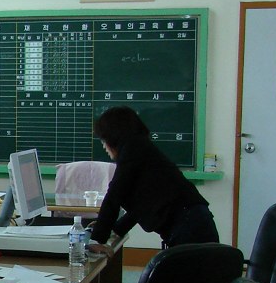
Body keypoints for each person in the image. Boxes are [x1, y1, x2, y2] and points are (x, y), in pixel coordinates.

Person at [87, 106, 217, 256]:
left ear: (113, 136)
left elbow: (115, 194)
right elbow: (143, 203)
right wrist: (116, 229)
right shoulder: (141, 148)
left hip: (189, 227)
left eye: (103, 140)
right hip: (195, 222)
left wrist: (97, 239)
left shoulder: (133, 149)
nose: (104, 146)